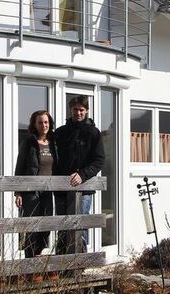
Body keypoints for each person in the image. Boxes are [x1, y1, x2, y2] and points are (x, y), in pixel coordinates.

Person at [54, 96, 105, 254]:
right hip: (61, 189)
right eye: (75, 109)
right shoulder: (60, 132)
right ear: (70, 110)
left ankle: (79, 266)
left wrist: (82, 175)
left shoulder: (94, 133)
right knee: (63, 227)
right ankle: (61, 266)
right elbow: (54, 159)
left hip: (84, 190)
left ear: (87, 111)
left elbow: (99, 160)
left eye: (82, 110)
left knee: (80, 226)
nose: (78, 113)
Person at [14, 110, 57, 265]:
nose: (43, 125)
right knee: (32, 227)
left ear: (49, 123)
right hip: (31, 191)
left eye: (46, 122)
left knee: (46, 226)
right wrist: (18, 192)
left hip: (48, 191)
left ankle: (38, 259)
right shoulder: (29, 143)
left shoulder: (54, 143)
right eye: (40, 122)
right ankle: (29, 264)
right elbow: (20, 167)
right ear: (34, 124)